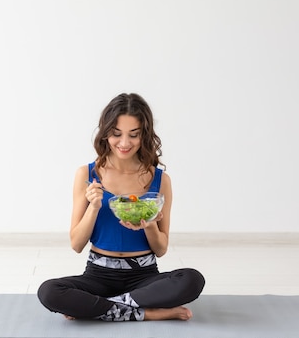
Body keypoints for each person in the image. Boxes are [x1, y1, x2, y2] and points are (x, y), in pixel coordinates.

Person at [37, 93, 205, 322]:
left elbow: (161, 249)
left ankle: (102, 309)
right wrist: (94, 207)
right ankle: (145, 312)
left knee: (192, 280)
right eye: (117, 134)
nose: (124, 143)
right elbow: (76, 244)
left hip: (144, 277)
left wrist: (150, 225)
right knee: (48, 291)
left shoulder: (160, 180)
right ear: (105, 133)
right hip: (98, 276)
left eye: (133, 135)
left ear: (144, 135)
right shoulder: (86, 174)